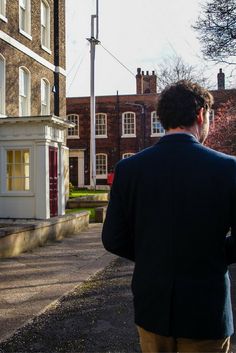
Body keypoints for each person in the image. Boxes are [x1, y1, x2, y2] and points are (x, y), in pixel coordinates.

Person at [102, 80, 236, 353]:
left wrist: (155, 255)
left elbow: (113, 238)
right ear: (201, 114)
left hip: (153, 307)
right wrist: (212, 254)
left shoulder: (129, 169)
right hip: (206, 311)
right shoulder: (228, 168)